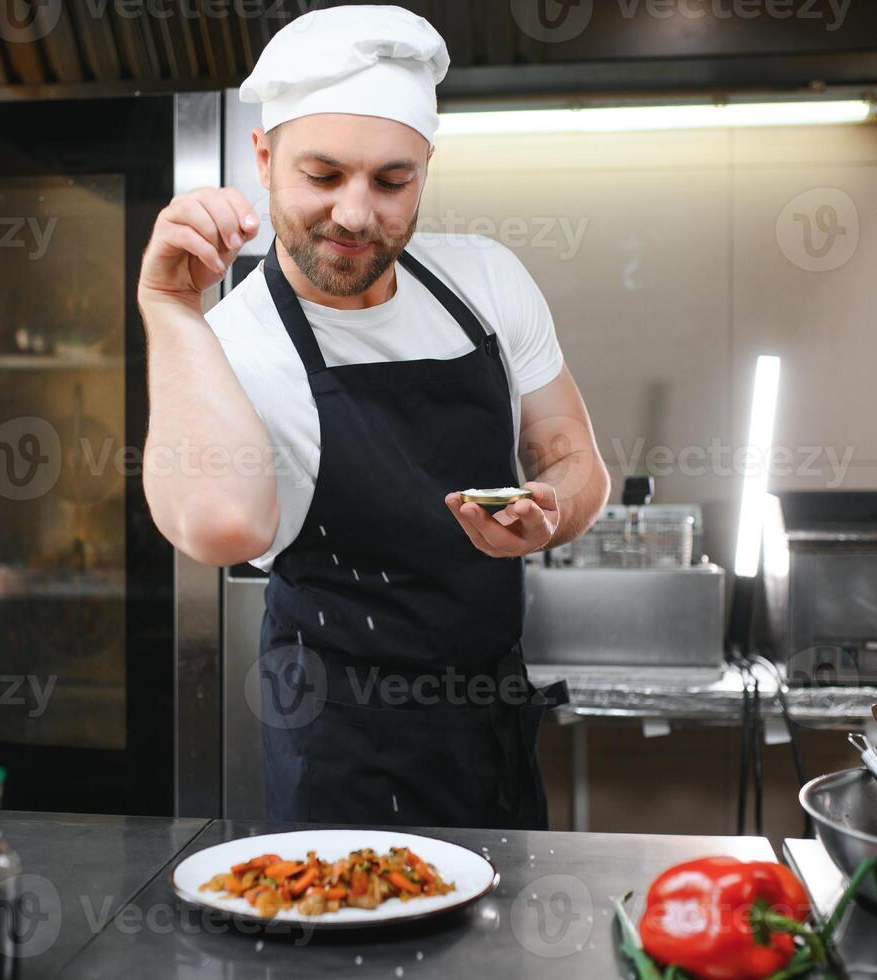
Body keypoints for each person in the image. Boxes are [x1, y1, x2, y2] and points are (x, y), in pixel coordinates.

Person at [138, 5, 607, 829]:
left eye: (392, 182)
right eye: (322, 176)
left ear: (425, 168)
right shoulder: (233, 343)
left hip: (492, 717)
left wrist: (554, 510)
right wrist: (168, 305)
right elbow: (219, 530)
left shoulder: (485, 283)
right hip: (340, 743)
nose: (356, 215)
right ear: (263, 158)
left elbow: (572, 456)